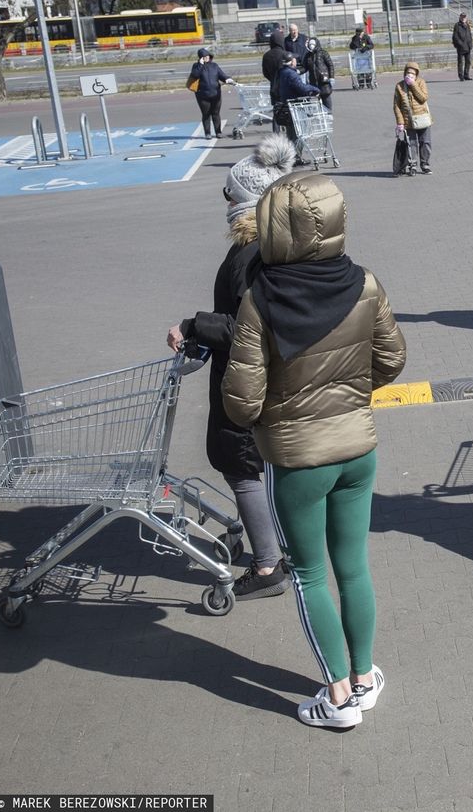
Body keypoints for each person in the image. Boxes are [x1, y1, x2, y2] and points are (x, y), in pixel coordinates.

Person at [221, 171, 407, 729]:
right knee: (353, 566)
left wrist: (279, 414)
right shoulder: (365, 283)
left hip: (299, 460)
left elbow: (242, 401)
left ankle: (340, 698)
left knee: (308, 574)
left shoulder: (260, 300)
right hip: (358, 450)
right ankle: (366, 674)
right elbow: (392, 360)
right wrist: (350, 396)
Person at [166, 135, 297, 601]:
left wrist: (193, 326)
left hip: (246, 379)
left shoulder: (250, 252)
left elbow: (247, 326)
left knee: (238, 463)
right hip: (273, 377)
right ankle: (279, 545)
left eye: (228, 193)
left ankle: (267, 567)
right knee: (257, 463)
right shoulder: (284, 241)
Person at [393, 61, 433, 175]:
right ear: (404, 73)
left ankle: (425, 164)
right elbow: (396, 106)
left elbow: (423, 98)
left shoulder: (420, 82)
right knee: (412, 144)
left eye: (413, 74)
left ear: (416, 75)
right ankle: (412, 166)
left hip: (423, 119)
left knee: (425, 142)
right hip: (408, 120)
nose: (410, 75)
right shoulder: (399, 86)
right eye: (408, 73)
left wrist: (413, 84)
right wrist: (400, 122)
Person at [187, 48, 234, 139]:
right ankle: (207, 133)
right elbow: (195, 75)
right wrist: (200, 65)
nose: (207, 57)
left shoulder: (214, 65)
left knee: (216, 113)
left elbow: (221, 75)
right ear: (201, 58)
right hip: (202, 95)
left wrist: (227, 79)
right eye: (205, 56)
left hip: (216, 94)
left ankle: (218, 132)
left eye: (208, 56)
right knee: (206, 114)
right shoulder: (196, 66)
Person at [274, 52, 321, 144]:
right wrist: (315, 89)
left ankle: (292, 155)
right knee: (299, 132)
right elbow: (301, 88)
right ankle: (296, 155)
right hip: (295, 105)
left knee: (291, 132)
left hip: (287, 104)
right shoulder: (292, 74)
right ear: (292, 62)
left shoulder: (281, 72)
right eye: (295, 59)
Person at [261, 29, 287, 129]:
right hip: (286, 87)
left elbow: (265, 73)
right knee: (288, 110)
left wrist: (273, 79)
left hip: (274, 87)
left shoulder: (266, 56)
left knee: (276, 112)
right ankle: (289, 134)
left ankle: (276, 133)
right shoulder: (285, 54)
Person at [302, 38, 334, 111]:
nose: (311, 46)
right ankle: (321, 114)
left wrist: (332, 77)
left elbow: (330, 65)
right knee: (317, 98)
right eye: (310, 44)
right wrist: (298, 71)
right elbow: (305, 68)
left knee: (326, 97)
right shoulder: (307, 56)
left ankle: (328, 113)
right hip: (314, 81)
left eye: (313, 44)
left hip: (324, 81)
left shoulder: (323, 53)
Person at [452, 12, 473, 81]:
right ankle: (461, 76)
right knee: (460, 62)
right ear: (460, 17)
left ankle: (466, 75)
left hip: (468, 46)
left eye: (464, 17)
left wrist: (471, 44)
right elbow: (455, 37)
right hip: (461, 47)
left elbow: (469, 35)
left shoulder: (467, 25)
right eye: (462, 17)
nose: (463, 18)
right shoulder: (457, 25)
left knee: (468, 62)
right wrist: (460, 44)